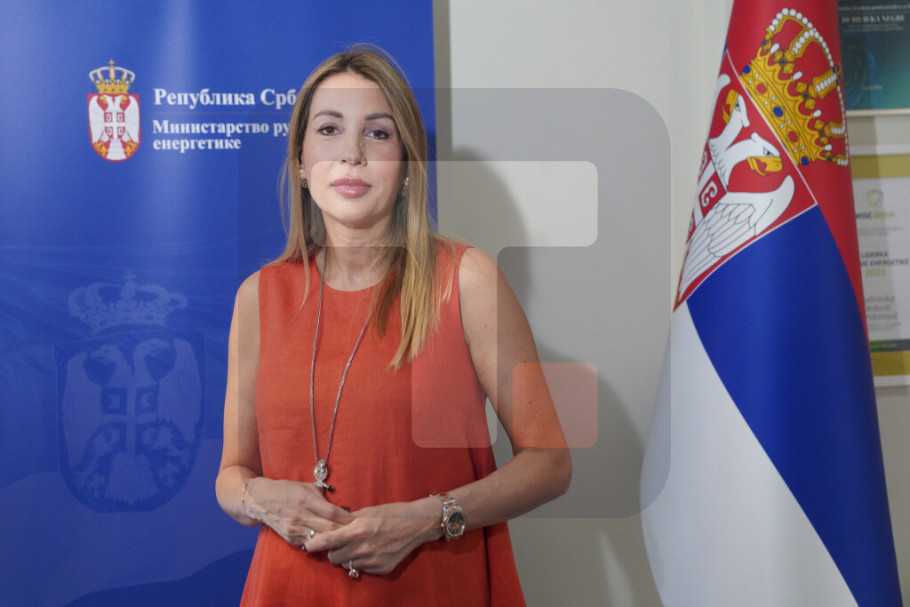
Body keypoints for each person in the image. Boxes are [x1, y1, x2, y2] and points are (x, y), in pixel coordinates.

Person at [215, 44, 571, 606]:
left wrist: (429, 518)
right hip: (289, 588)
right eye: (329, 130)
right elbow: (231, 474)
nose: (352, 154)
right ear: (301, 163)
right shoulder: (259, 296)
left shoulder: (466, 279)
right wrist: (260, 499)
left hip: (432, 589)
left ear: (406, 165)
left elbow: (550, 463)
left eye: (377, 133)